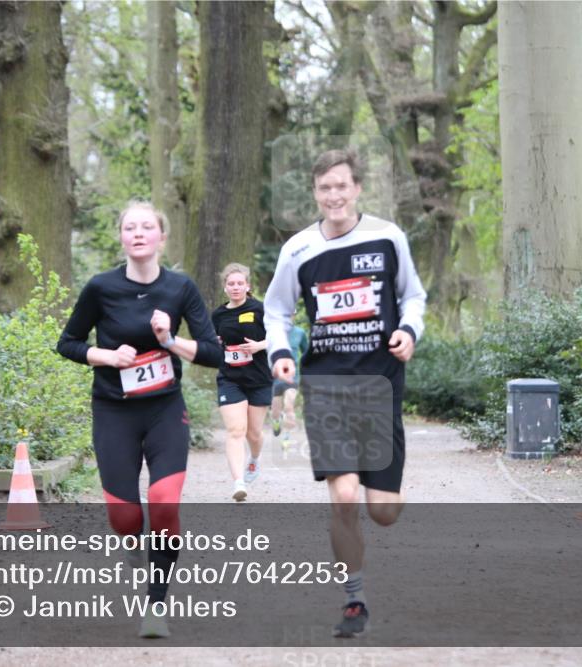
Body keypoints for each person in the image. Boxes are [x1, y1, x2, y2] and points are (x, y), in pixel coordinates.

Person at [264, 148, 426, 638]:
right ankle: (354, 599)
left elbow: (413, 294)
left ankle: (388, 492)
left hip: (379, 384)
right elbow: (276, 311)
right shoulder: (297, 250)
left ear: (357, 189)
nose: (333, 195)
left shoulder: (387, 236)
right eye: (324, 187)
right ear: (315, 193)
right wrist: (279, 354)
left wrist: (409, 331)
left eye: (341, 185)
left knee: (384, 511)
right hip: (327, 385)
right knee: (343, 498)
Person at [56, 200, 222, 639]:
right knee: (125, 519)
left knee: (165, 503)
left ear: (162, 237)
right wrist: (107, 356)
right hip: (114, 410)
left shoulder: (180, 288)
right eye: (130, 227)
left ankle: (155, 604)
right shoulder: (101, 287)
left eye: (147, 227)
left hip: (165, 409)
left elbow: (214, 352)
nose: (139, 233)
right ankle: (134, 547)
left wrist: (171, 340)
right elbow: (68, 343)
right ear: (121, 237)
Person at [210, 263, 272, 501]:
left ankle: (254, 460)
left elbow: (280, 334)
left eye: (239, 283)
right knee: (236, 430)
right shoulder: (218, 314)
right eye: (231, 284)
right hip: (230, 378)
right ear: (225, 288)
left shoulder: (260, 309)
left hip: (258, 378)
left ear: (248, 286)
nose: (235, 287)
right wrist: (214, 343)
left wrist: (260, 345)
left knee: (253, 433)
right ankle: (238, 482)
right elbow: (215, 343)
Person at [269, 316, 309, 449]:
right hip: (275, 377)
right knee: (275, 410)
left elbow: (307, 353)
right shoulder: (272, 332)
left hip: (293, 377)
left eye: (291, 314)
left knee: (289, 406)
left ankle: (286, 437)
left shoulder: (299, 332)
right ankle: (276, 421)